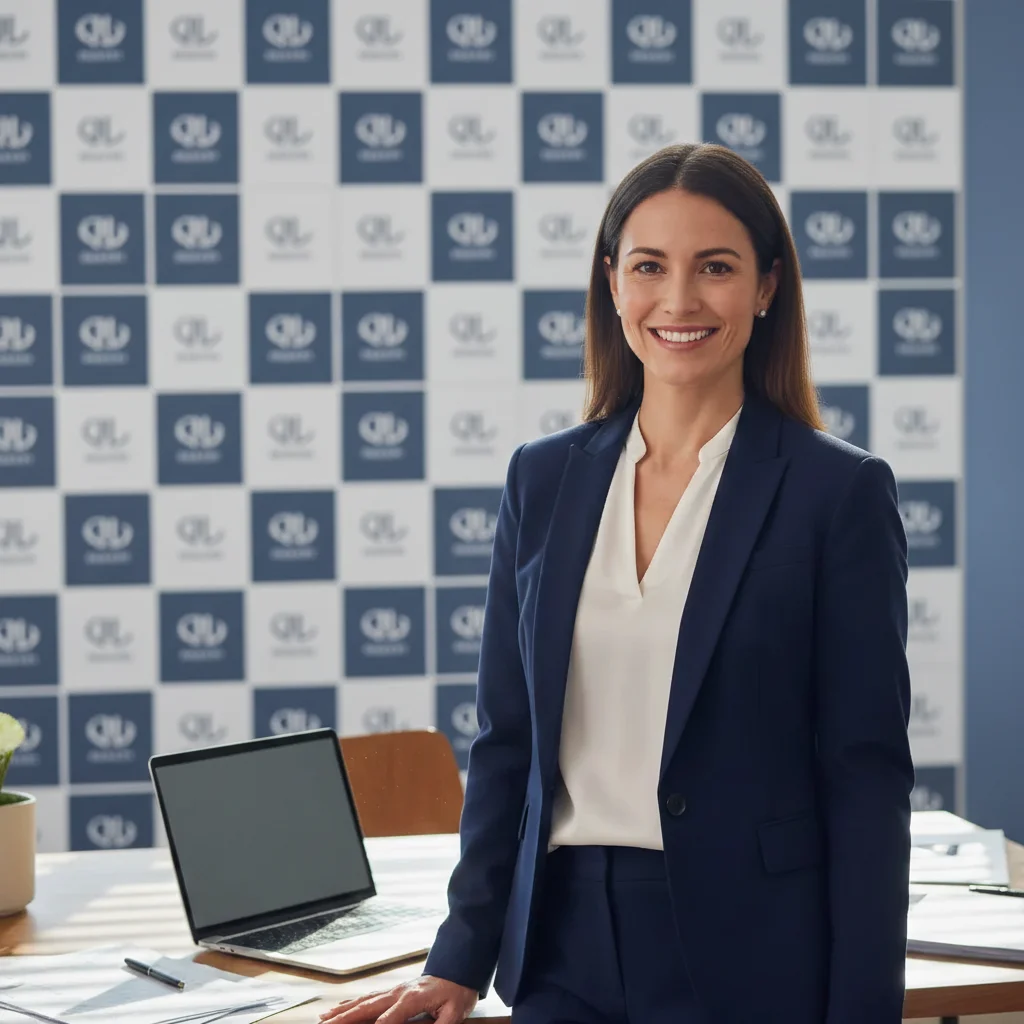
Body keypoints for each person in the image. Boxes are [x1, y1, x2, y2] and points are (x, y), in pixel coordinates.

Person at [318, 143, 914, 1024]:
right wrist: (458, 957)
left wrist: (864, 1012)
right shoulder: (544, 478)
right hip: (562, 947)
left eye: (715, 267)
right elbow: (507, 743)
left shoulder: (838, 493)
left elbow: (865, 782)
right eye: (649, 267)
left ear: (766, 287)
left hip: (755, 953)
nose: (679, 300)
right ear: (612, 283)